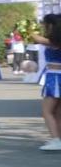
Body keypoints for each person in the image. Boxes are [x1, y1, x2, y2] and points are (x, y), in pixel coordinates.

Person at [27, 14, 61, 151]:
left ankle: (56, 140)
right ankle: (58, 138)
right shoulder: (55, 40)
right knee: (57, 112)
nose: (44, 27)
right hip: (55, 76)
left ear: (51, 25)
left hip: (55, 77)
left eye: (45, 24)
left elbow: (36, 38)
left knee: (46, 111)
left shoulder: (54, 41)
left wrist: (27, 29)